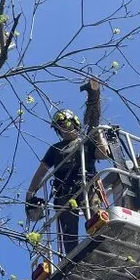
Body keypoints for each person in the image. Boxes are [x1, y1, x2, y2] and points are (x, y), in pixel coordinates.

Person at [24, 78, 109, 257]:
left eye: (65, 122)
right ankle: (74, 261)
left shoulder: (86, 141)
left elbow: (102, 153)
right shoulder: (55, 149)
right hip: (64, 193)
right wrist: (30, 195)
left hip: (87, 186)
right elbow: (40, 173)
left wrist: (99, 134)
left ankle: (104, 247)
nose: (63, 127)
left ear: (75, 123)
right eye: (59, 125)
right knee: (69, 238)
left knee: (96, 221)